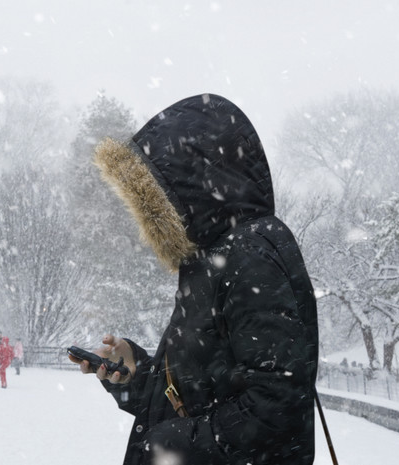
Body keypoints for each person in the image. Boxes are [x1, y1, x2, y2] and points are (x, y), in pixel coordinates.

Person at [69, 94, 319, 464]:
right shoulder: (208, 258)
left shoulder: (250, 254)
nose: (149, 217)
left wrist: (168, 445)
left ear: (193, 184)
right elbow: (201, 390)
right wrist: (135, 375)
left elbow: (276, 411)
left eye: (155, 199)